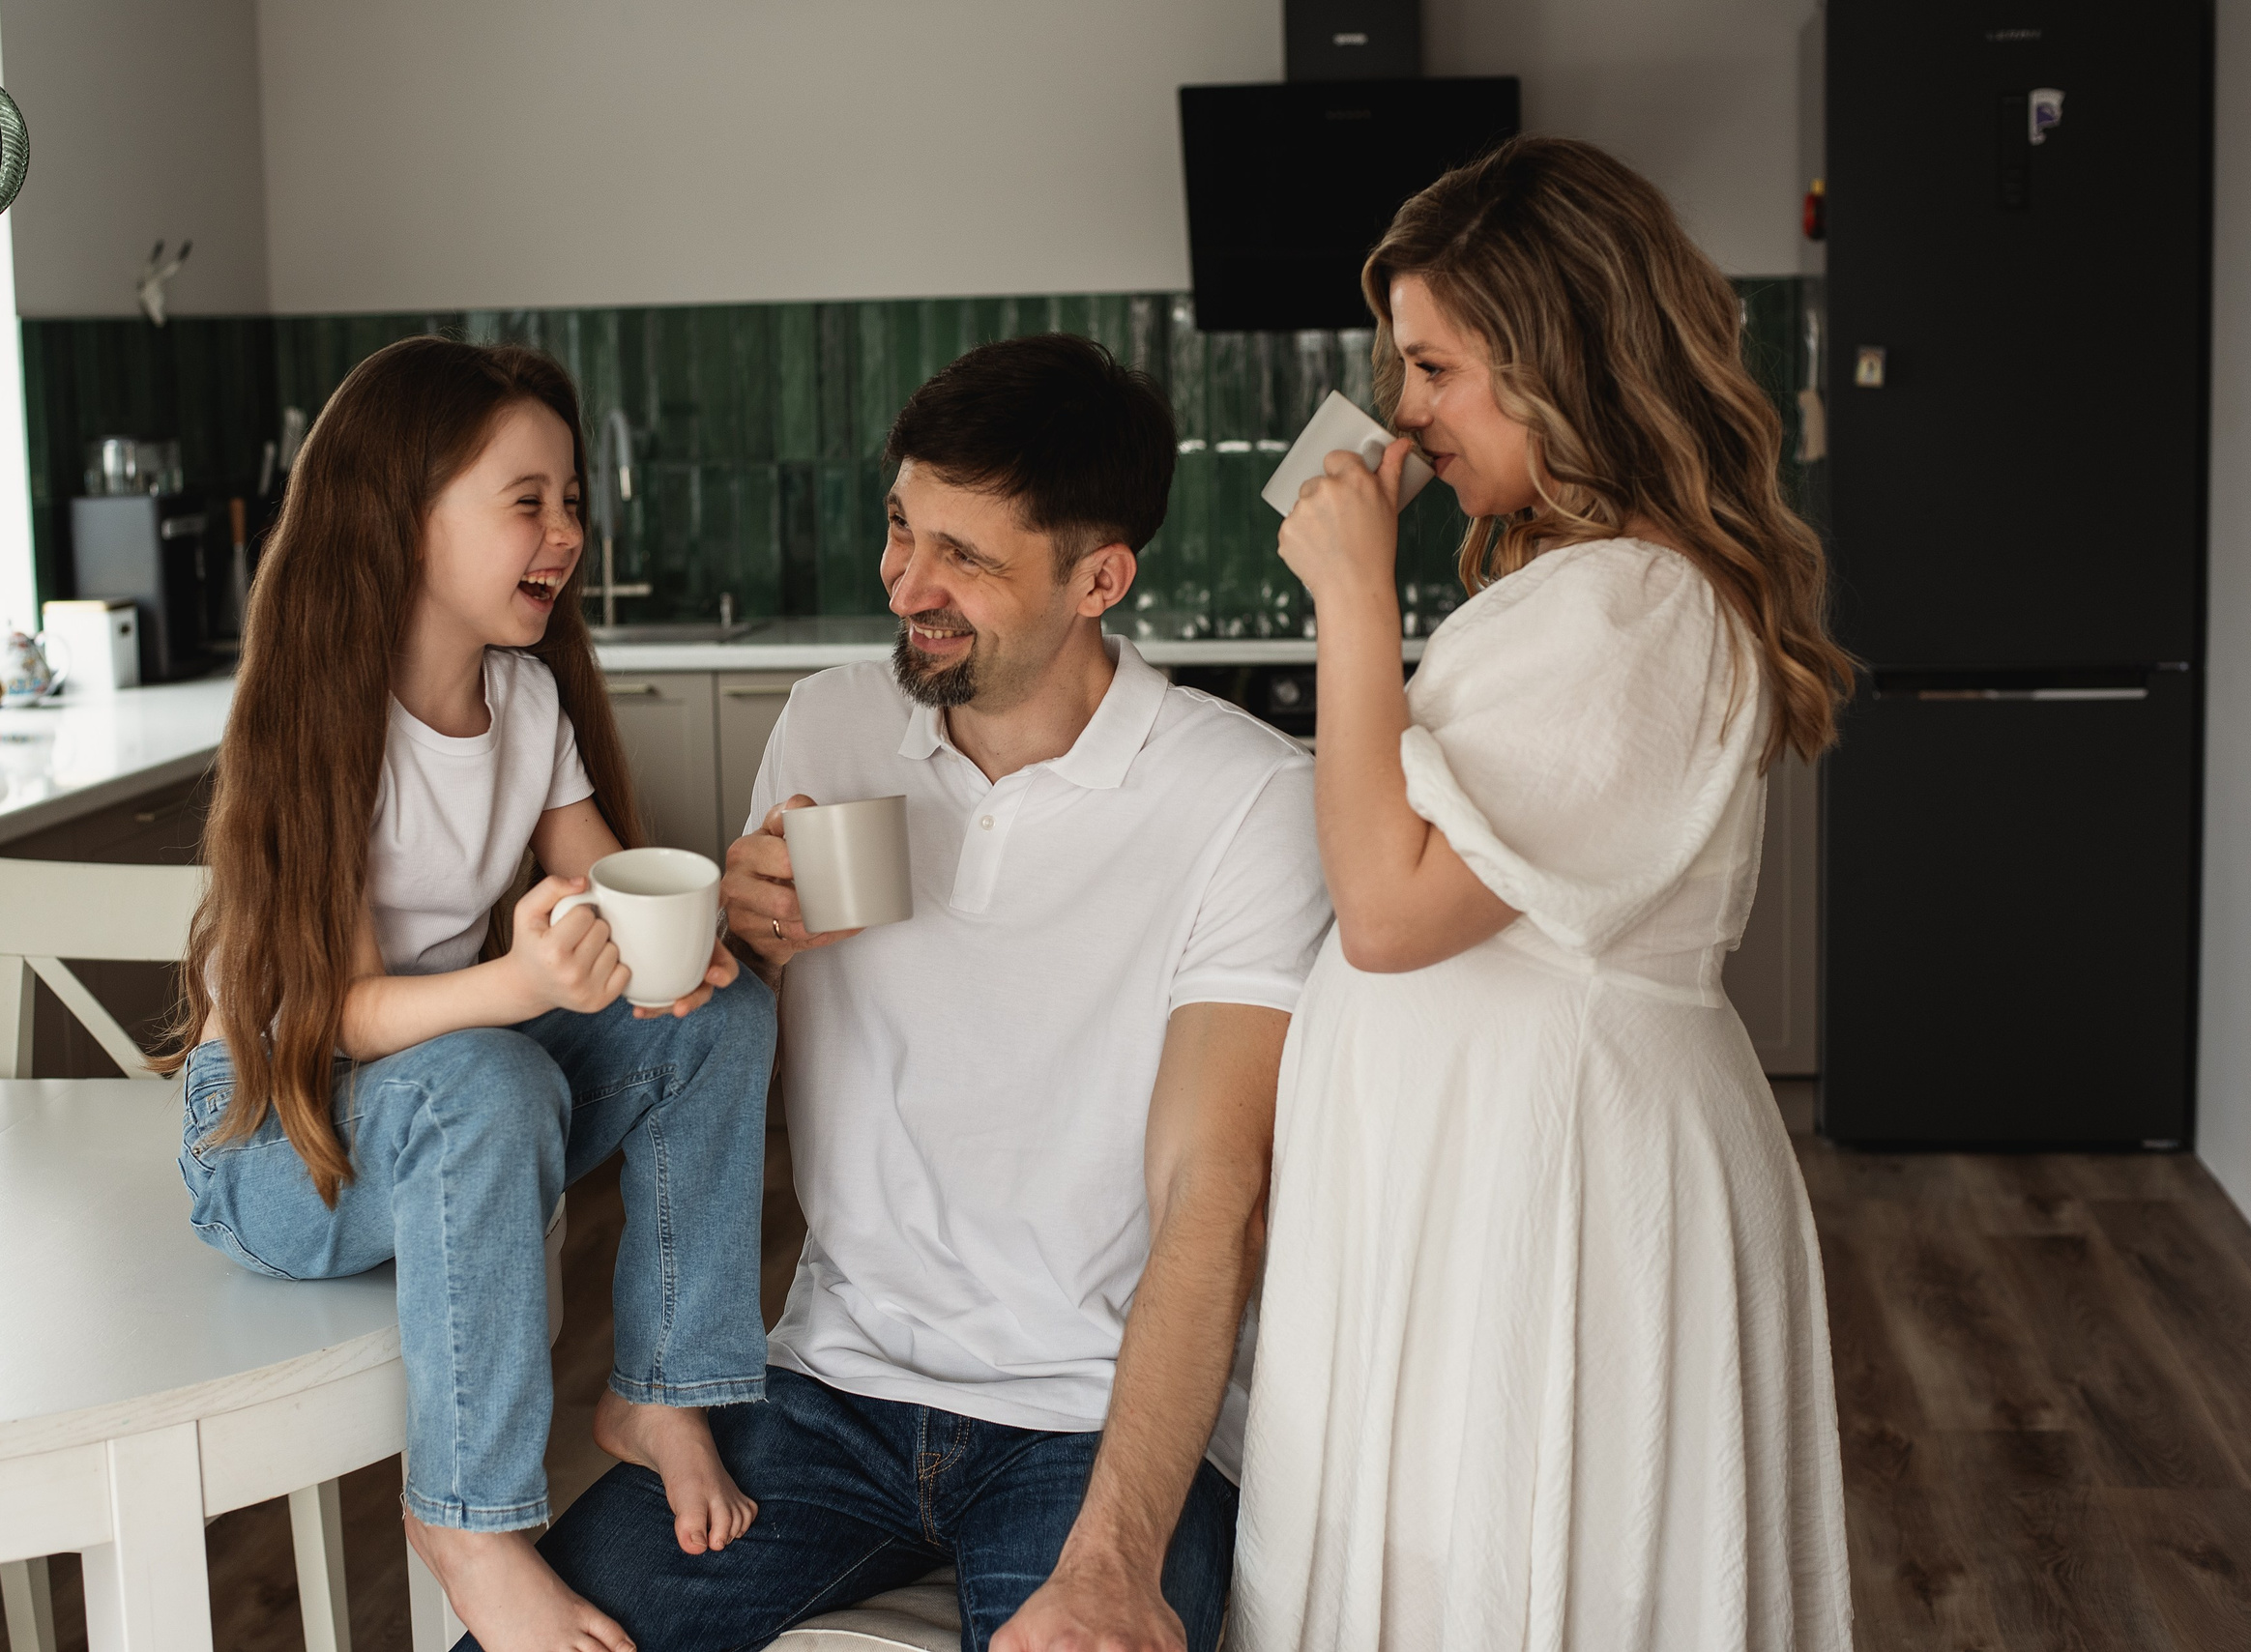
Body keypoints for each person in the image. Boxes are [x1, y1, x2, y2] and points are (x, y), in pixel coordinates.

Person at [528, 333, 1333, 1652]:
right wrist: (738, 948)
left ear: (1100, 578)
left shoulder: (1244, 798)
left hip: (1093, 1412)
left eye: (968, 554)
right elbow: (725, 1066)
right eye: (902, 527)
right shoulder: (831, 726)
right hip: (826, 1385)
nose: (909, 581)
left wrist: (1118, 1553)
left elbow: (1216, 1194)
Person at [1232, 136, 1856, 1651]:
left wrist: (1356, 598)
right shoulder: (1575, 587)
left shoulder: (1636, 609)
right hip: (1484, 1170)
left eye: (1436, 366)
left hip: (1557, 1188)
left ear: (1554, 354)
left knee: (1533, 1563)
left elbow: (1387, 910)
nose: (1407, 409)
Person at [157, 337, 777, 1652]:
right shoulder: (316, 726)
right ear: (405, 512)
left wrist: (693, 931)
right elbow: (323, 1019)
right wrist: (511, 980)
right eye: (528, 500)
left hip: (440, 1098)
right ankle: (469, 1521)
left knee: (719, 1014)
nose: (567, 532)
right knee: (490, 1074)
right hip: (278, 1133)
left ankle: (660, 1390)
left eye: (570, 501)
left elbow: (597, 871)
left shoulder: (526, 696)